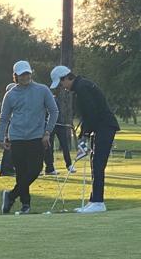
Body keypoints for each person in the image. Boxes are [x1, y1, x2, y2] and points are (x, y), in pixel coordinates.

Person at [50, 65, 121, 213]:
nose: (62, 87)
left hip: (105, 127)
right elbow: (88, 115)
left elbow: (91, 113)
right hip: (101, 127)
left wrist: (85, 135)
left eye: (61, 83)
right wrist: (85, 133)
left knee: (98, 164)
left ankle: (98, 202)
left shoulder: (82, 87)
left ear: (66, 78)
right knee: (95, 163)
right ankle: (94, 200)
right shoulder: (81, 86)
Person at [0, 60, 59, 215]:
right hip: (17, 138)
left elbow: (54, 111)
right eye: (21, 74)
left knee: (35, 169)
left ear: (31, 73)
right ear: (15, 76)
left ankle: (10, 196)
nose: (25, 77)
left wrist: (47, 132)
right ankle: (25, 205)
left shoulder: (42, 90)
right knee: (22, 173)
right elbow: (4, 118)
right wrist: (0, 137)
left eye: (27, 73)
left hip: (36, 137)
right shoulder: (10, 95)